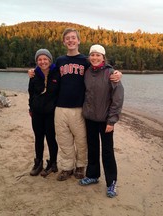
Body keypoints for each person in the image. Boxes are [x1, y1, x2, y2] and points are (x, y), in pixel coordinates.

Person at [28, 28, 122, 181]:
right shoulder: (59, 61)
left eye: (73, 38)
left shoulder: (86, 60)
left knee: (81, 140)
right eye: (67, 38)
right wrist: (33, 71)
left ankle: (80, 166)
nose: (70, 40)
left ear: (78, 41)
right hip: (60, 108)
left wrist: (116, 72)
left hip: (79, 108)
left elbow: (101, 68)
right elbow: (45, 70)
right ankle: (67, 168)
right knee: (64, 140)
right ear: (64, 42)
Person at [79, 44, 124, 198]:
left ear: (103, 57)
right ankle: (92, 175)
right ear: (89, 57)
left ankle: (111, 182)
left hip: (105, 120)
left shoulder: (111, 74)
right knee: (92, 148)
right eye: (92, 55)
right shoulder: (86, 72)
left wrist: (112, 121)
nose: (95, 58)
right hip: (90, 118)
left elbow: (118, 99)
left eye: (98, 55)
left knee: (107, 151)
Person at [28, 49, 60, 177]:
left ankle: (53, 163)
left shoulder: (57, 73)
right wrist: (30, 108)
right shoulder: (34, 74)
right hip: (37, 113)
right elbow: (31, 93)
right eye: (39, 59)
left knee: (51, 138)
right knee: (38, 138)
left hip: (51, 113)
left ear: (50, 60)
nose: (42, 62)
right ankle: (38, 163)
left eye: (45, 59)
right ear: (37, 61)